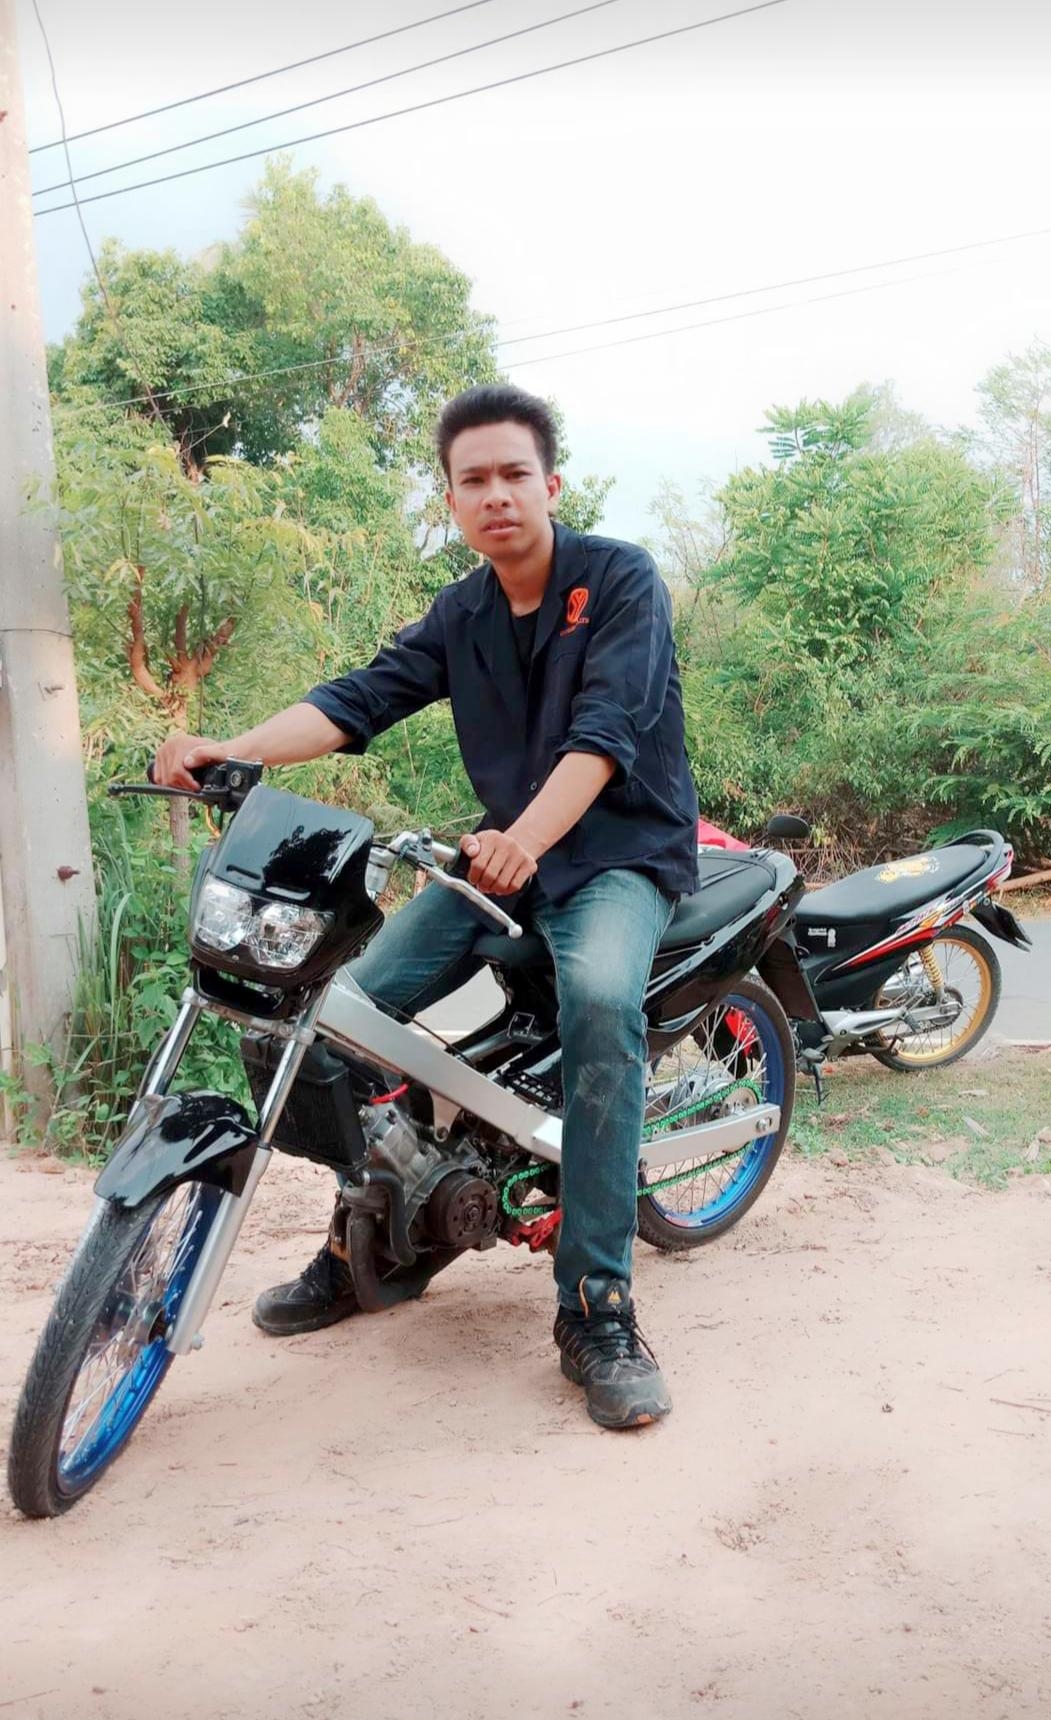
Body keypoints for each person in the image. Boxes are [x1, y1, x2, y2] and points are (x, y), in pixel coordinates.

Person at [153, 384, 699, 1430]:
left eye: (514, 474)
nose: (496, 495)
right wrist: (235, 748)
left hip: (617, 857)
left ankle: (598, 1306)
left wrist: (525, 838)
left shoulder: (619, 580)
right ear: (451, 500)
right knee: (341, 1013)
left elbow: (604, 736)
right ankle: (369, 1239)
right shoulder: (463, 614)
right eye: (472, 480)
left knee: (598, 1006)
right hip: (499, 863)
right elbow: (357, 699)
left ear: (551, 484)